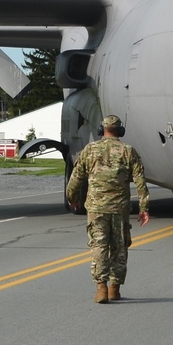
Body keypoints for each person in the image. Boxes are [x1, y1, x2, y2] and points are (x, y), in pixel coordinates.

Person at [65, 115, 150, 304]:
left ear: (101, 130)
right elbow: (140, 181)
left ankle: (101, 288)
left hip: (96, 208)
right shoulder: (128, 151)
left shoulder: (90, 150)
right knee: (119, 247)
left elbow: (76, 177)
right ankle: (114, 288)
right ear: (120, 131)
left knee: (99, 245)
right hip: (120, 208)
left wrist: (73, 199)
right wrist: (144, 208)